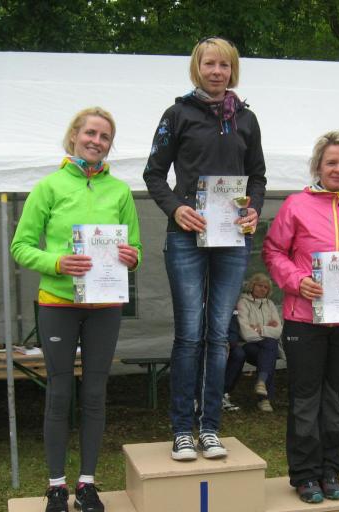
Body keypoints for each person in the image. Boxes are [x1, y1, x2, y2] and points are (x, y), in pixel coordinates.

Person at [11, 107, 142, 512]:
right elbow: (20, 246)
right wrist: (57, 262)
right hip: (58, 303)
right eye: (90, 133)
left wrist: (131, 256)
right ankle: (56, 486)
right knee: (59, 392)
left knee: (95, 393)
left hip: (105, 306)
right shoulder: (48, 187)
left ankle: (87, 483)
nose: (96, 141)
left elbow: (136, 249)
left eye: (105, 137)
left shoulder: (120, 191)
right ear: (73, 136)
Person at [144, 36, 266, 461]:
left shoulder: (246, 119)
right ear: (197, 68)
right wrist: (176, 209)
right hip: (186, 235)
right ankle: (182, 429)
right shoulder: (177, 114)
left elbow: (257, 177)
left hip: (231, 237)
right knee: (190, 335)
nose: (217, 71)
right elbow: (154, 174)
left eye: (224, 65)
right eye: (209, 64)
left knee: (219, 336)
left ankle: (210, 427)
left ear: (233, 70)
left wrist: (255, 210)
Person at [263, 130, 339, 503]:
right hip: (304, 319)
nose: (338, 169)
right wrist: (296, 280)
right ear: (318, 165)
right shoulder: (295, 205)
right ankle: (304, 475)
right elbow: (273, 251)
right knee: (306, 398)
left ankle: (331, 470)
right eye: (331, 162)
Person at [224, 272, 282, 412]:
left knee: (269, 348)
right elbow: (246, 334)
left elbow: (279, 331)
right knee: (270, 348)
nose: (262, 289)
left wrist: (259, 328)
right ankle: (264, 398)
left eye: (266, 287)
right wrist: (268, 329)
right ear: (252, 286)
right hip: (248, 346)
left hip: (265, 347)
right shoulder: (243, 302)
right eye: (259, 285)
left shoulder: (270, 304)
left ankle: (262, 383)